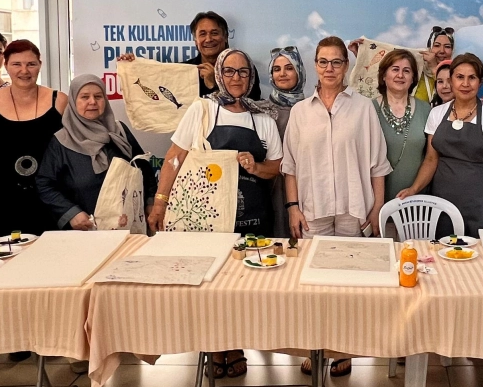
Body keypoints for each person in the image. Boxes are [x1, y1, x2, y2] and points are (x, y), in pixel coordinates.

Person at [150, 48, 284, 237]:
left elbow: (277, 166)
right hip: (206, 221)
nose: (236, 78)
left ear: (250, 76)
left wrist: (256, 168)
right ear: (219, 74)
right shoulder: (202, 109)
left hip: (255, 221)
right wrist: (159, 203)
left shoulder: (264, 118)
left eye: (243, 71)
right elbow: (175, 157)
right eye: (229, 71)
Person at [282, 36, 391, 238]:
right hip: (312, 210)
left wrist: (377, 208)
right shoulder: (300, 111)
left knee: (353, 258)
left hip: (355, 209)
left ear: (346, 65)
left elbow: (378, 165)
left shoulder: (364, 107)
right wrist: (293, 208)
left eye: (336, 62)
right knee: (314, 259)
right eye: (323, 62)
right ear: (316, 65)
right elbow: (290, 166)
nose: (329, 69)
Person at [399, 53, 483, 236]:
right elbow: (431, 159)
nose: (465, 84)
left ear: (480, 81)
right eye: (459, 77)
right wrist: (414, 189)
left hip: (480, 201)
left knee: (478, 250)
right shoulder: (437, 113)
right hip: (442, 199)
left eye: (472, 78)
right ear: (451, 81)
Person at [0, 39, 67, 236]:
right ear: (6, 66)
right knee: (7, 249)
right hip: (3, 194)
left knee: (54, 248)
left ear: (40, 65)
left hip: (52, 191)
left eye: (31, 64)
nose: (24, 70)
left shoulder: (59, 100)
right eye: (16, 64)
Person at [37, 74, 152, 229]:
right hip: (86, 230)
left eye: (98, 96)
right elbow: (44, 184)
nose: (92, 102)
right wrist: (71, 213)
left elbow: (145, 170)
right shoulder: (61, 141)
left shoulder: (119, 131)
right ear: (73, 101)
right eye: (85, 97)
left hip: (129, 228)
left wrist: (151, 202)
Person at [375, 48, 430, 201]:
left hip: (417, 199)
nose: (400, 75)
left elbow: (432, 158)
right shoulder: (369, 109)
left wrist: (414, 189)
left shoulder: (426, 109)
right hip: (377, 200)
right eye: (395, 69)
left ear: (413, 78)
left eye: (406, 71)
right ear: (384, 75)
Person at [266, 46, 307, 136]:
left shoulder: (310, 110)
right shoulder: (262, 110)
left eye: (289, 68)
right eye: (277, 69)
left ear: (299, 72)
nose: (282, 74)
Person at [414, 26, 456, 102]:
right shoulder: (417, 73)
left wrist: (434, 68)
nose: (442, 51)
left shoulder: (458, 74)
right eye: (437, 45)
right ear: (429, 49)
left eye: (447, 47)